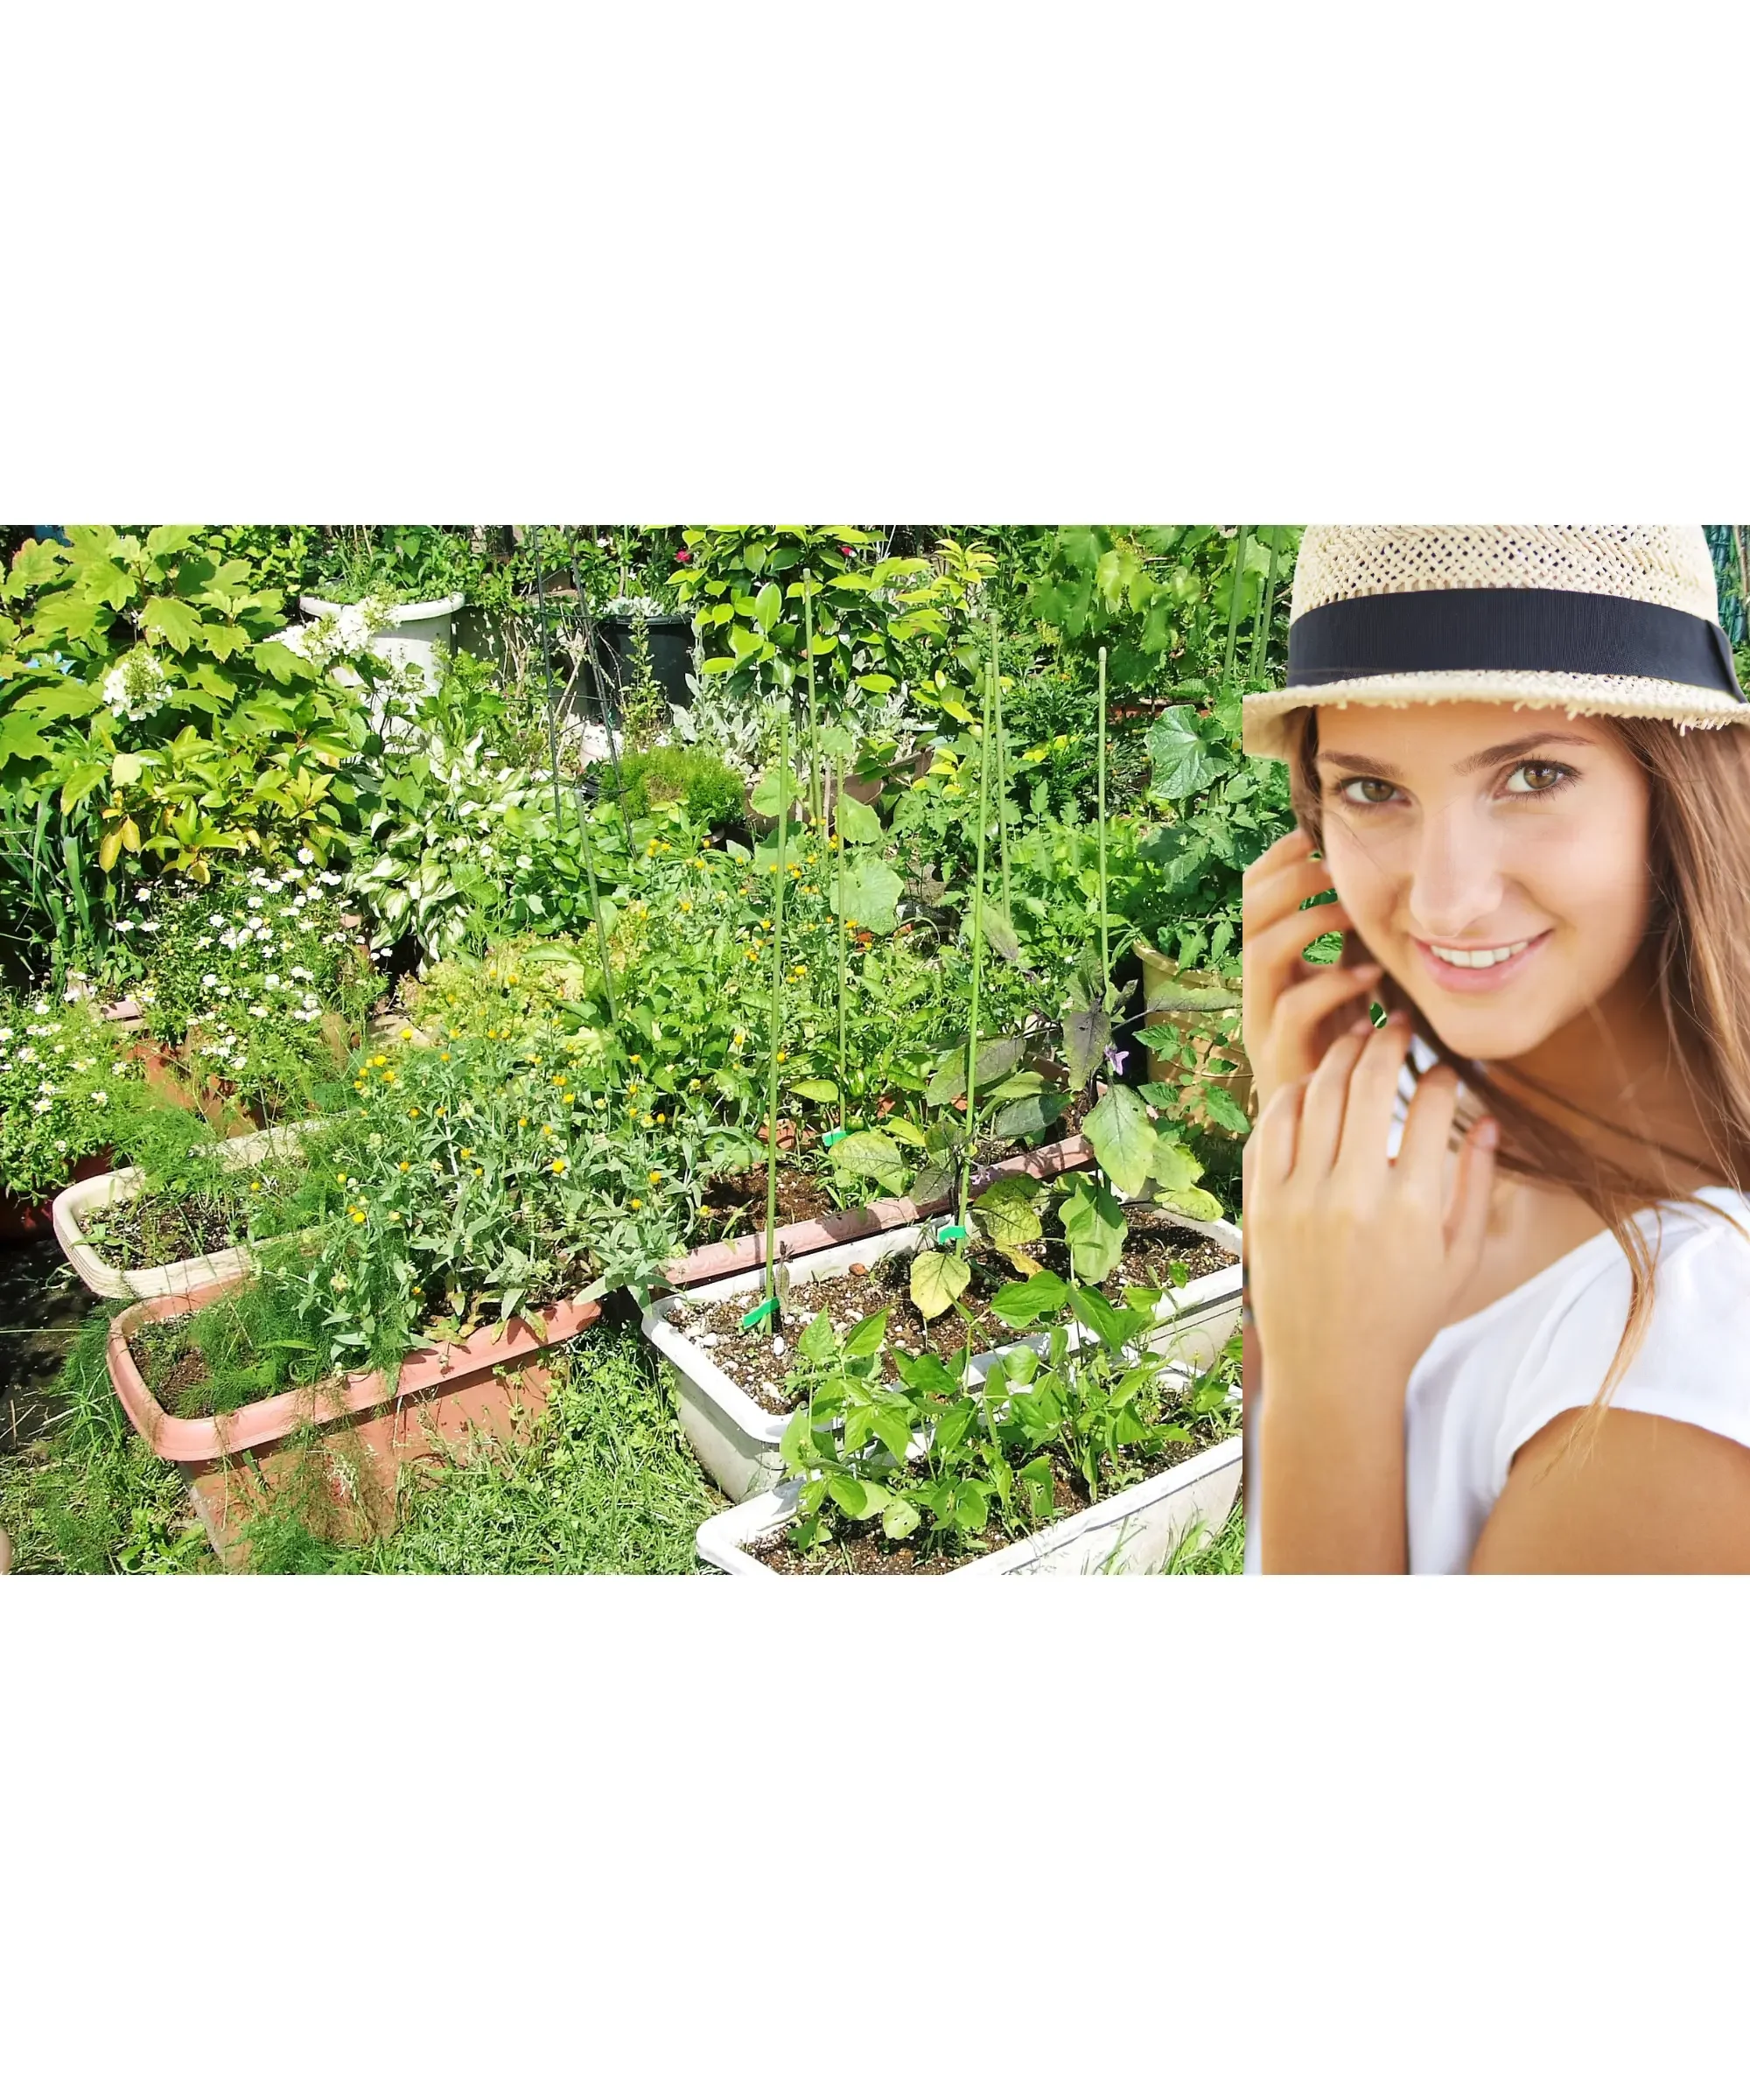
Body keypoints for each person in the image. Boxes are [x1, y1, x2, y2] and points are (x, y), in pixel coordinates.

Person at [1240, 525, 1750, 1572]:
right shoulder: (1395, 1120)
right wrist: (1298, 1142)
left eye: (1529, 777)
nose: (1443, 900)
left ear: (1675, 788)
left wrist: (1331, 1386)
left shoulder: (1686, 1362)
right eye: (1372, 790)